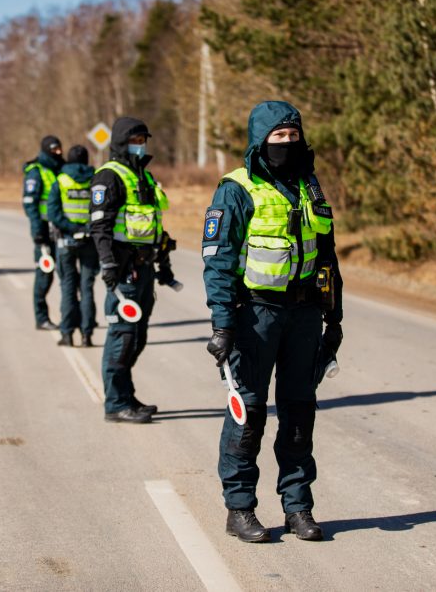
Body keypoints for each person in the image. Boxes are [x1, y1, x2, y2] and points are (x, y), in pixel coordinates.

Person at [202, 101, 344, 543]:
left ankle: (298, 507)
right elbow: (218, 261)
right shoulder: (235, 189)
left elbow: (327, 255)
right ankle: (240, 508)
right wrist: (223, 325)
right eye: (278, 136)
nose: (287, 142)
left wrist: (334, 317)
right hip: (255, 316)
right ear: (260, 140)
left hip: (303, 315)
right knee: (249, 415)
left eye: (293, 135)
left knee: (300, 413)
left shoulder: (309, 185)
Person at [90, 116, 175, 424]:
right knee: (122, 337)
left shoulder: (144, 177)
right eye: (134, 141)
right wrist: (108, 264)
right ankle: (115, 403)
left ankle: (126, 395)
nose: (140, 146)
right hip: (124, 271)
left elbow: (154, 226)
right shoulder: (108, 177)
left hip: (145, 269)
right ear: (120, 142)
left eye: (143, 140)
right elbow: (99, 226)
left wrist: (164, 264)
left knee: (137, 338)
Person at [46, 145, 100, 347]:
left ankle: (67, 334)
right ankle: (87, 335)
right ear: (86, 160)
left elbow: (53, 213)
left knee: (68, 287)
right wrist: (85, 227)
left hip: (66, 241)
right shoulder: (95, 179)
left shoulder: (61, 180)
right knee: (87, 288)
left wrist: (70, 227)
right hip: (89, 241)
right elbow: (100, 209)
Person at [23, 135, 64, 331]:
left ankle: (71, 317)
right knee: (44, 275)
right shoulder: (35, 171)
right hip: (44, 233)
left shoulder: (62, 168)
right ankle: (41, 318)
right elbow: (30, 205)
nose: (58, 152)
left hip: (62, 230)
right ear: (46, 149)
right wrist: (38, 231)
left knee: (66, 274)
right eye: (54, 149)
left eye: (60, 148)